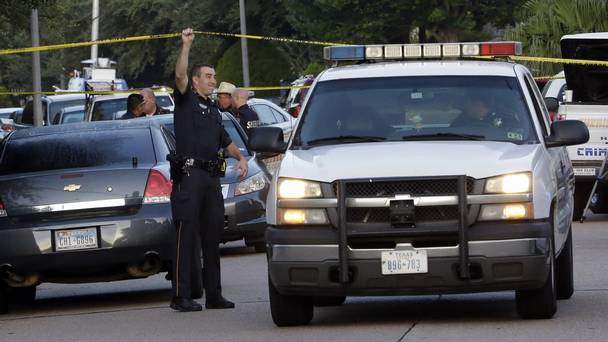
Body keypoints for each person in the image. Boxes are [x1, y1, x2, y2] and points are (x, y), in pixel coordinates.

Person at [169, 27, 248, 312]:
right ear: (195, 80)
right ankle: (181, 296)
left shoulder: (214, 110)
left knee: (213, 235)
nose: (214, 81)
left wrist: (241, 158)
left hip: (210, 178)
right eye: (209, 77)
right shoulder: (185, 99)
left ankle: (214, 294)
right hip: (189, 177)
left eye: (214, 77)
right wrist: (186, 46)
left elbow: (225, 141)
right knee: (186, 236)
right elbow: (179, 75)